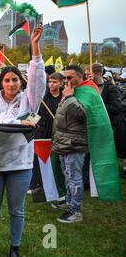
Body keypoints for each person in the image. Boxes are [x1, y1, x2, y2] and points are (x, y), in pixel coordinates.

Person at [0, 25, 46, 257]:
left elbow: (38, 81)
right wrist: (20, 126)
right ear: (1, 83)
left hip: (20, 166)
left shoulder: (29, 103)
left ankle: (14, 248)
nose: (11, 84)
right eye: (7, 80)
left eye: (15, 79)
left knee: (17, 210)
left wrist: (35, 49)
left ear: (21, 81)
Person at [51, 65, 89, 224]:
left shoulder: (82, 93)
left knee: (74, 178)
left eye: (69, 78)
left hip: (74, 144)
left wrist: (70, 97)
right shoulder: (70, 93)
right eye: (64, 78)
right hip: (64, 142)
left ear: (80, 77)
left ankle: (76, 211)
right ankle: (68, 201)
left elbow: (81, 114)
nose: (66, 81)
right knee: (68, 175)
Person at [30, 72, 63, 198]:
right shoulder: (43, 98)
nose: (51, 84)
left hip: (57, 134)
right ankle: (36, 184)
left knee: (54, 161)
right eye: (50, 82)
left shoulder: (64, 98)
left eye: (54, 82)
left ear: (60, 83)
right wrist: (30, 124)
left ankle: (53, 184)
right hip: (42, 133)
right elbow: (35, 112)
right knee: (39, 160)